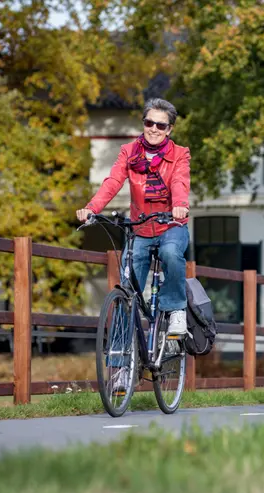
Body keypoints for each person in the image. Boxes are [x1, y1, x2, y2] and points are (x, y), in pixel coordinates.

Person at [76, 98, 191, 338]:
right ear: (144, 123)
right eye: (150, 123)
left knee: (171, 253)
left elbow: (179, 181)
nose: (154, 129)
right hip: (140, 228)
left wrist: (180, 205)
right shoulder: (129, 152)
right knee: (127, 293)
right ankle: (120, 366)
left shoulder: (180, 154)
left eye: (161, 125)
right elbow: (113, 182)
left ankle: (175, 310)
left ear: (169, 129)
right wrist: (92, 208)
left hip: (171, 225)